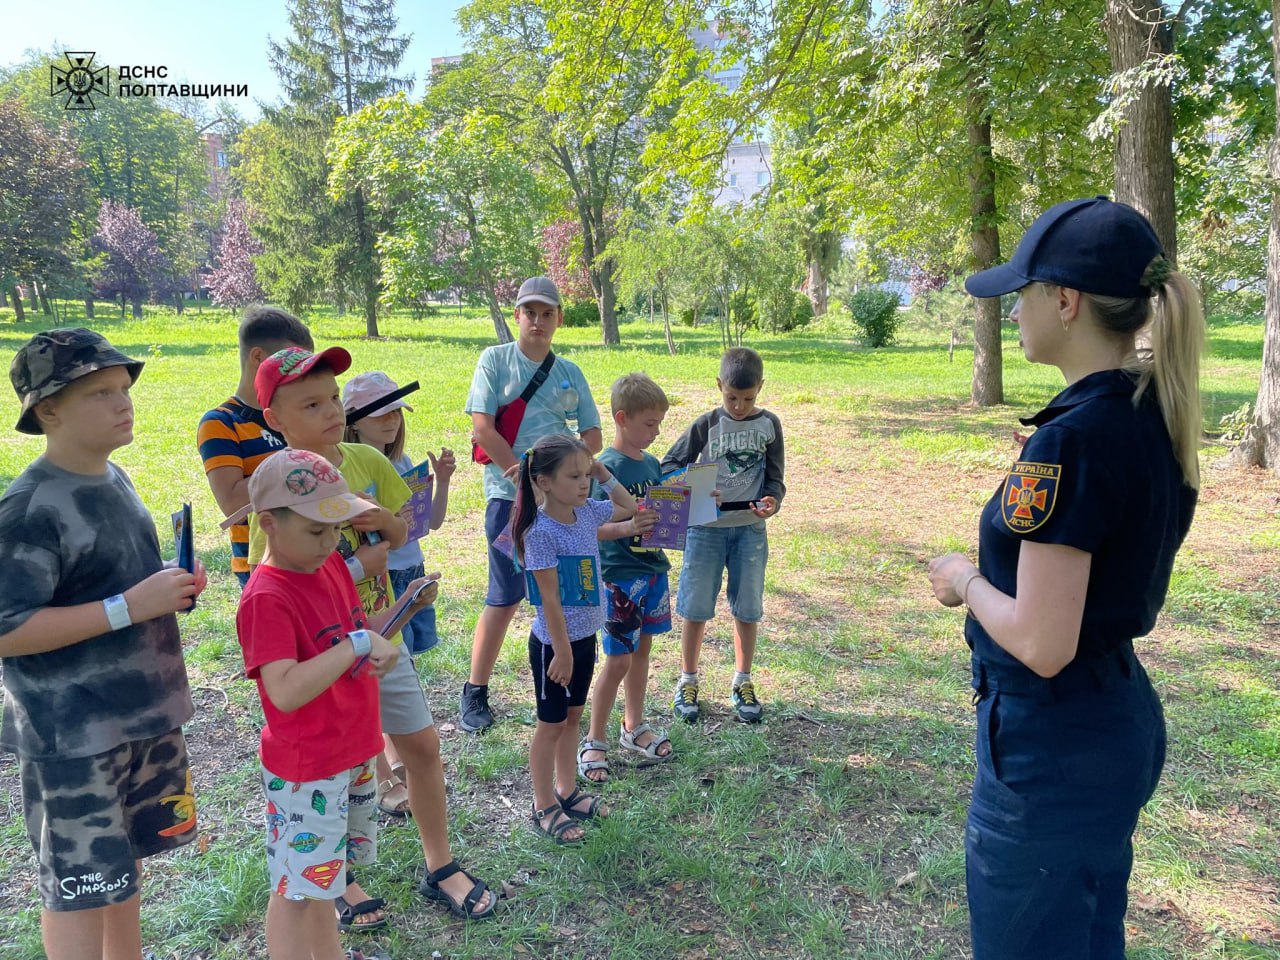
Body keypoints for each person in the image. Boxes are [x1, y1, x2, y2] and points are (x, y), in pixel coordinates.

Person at [925, 196, 1203, 958]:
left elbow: (1043, 642)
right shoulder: (1150, 410)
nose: (1014, 311)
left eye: (1024, 292)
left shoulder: (1071, 442)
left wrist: (964, 578)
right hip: (1107, 723)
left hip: (1052, 743)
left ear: (1066, 301)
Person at [251, 346, 496, 923]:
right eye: (311, 404)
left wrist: (378, 523)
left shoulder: (365, 459)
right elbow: (275, 573)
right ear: (276, 420)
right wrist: (364, 564)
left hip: (380, 635)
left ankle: (440, 864)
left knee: (421, 746)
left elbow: (402, 524)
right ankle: (336, 879)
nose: (332, 411)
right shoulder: (276, 485)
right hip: (316, 654)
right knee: (329, 770)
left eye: (334, 398)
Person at [0, 328, 207, 960]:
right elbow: (7, 627)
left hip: (141, 721)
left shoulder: (109, 476)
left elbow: (122, 587)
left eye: (123, 388)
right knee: (80, 888)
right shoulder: (30, 506)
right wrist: (128, 607)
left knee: (121, 875)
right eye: (99, 392)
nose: (124, 403)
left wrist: (166, 589)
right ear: (48, 409)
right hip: (73, 739)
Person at [232, 447, 401, 960]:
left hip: (350, 750)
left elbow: (352, 634)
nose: (331, 542)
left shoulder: (325, 564)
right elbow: (284, 690)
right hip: (308, 768)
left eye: (336, 529)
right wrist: (357, 646)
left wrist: (381, 642)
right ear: (269, 525)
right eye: (316, 531)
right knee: (296, 891)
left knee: (327, 882)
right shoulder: (267, 597)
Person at [462, 276, 603, 733]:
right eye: (530, 312)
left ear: (559, 319)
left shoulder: (570, 372)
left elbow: (593, 436)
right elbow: (484, 429)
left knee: (559, 594)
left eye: (547, 313)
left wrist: (568, 475)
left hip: (559, 505)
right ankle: (475, 690)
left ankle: (560, 684)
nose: (538, 321)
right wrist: (526, 484)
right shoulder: (494, 361)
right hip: (510, 500)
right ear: (517, 315)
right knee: (503, 598)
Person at [510, 435, 639, 844]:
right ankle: (543, 802)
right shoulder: (539, 532)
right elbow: (549, 597)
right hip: (555, 645)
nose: (584, 484)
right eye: (575, 476)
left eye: (586, 474)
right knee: (550, 725)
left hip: (584, 636)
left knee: (572, 720)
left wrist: (603, 472)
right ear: (544, 482)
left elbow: (628, 507)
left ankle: (567, 789)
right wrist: (561, 651)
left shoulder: (583, 514)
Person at [343, 370, 456, 818]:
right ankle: (382, 771)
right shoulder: (350, 468)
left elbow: (430, 523)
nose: (392, 421)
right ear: (355, 420)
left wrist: (441, 480)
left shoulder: (403, 462)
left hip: (408, 572)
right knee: (374, 675)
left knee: (394, 667)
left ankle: (393, 754)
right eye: (381, 412)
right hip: (372, 583)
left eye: (397, 412)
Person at [661, 347, 786, 724]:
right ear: (719, 386)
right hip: (705, 532)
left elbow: (775, 478)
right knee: (695, 607)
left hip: (749, 532)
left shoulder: (770, 425)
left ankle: (743, 680)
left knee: (747, 608)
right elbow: (669, 465)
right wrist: (696, 490)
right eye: (732, 397)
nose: (739, 406)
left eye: (748, 398)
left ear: (761, 388)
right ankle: (687, 680)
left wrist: (772, 501)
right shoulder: (706, 424)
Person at [579, 373, 671, 783]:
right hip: (618, 576)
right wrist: (631, 521)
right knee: (616, 659)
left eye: (659, 424)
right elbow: (588, 525)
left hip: (653, 571)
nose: (656, 432)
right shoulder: (604, 470)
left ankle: (633, 727)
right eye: (649, 423)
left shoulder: (652, 465)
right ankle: (594, 739)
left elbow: (665, 515)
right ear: (622, 418)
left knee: (641, 655)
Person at [197, 305, 314, 588]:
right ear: (258, 357)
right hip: (261, 565)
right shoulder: (221, 423)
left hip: (312, 551)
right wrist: (299, 461)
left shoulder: (298, 413)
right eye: (293, 364)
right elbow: (231, 501)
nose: (302, 374)